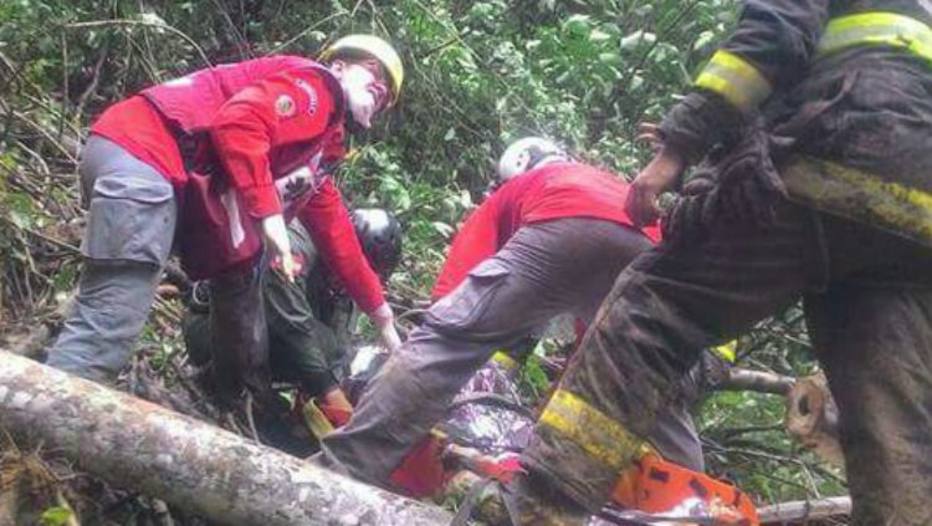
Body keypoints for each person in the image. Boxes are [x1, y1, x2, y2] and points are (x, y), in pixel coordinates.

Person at [510, 2, 932, 525]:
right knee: (891, 412)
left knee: (651, 312)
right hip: (917, 216)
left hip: (838, 146)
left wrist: (678, 147)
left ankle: (543, 510)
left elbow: (774, 33)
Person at [320, 137, 711, 499]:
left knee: (446, 344)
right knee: (653, 395)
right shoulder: (606, 182)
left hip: (566, 224)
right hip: (653, 250)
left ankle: (346, 465)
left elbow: (448, 302)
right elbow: (589, 352)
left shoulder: (522, 189)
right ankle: (691, 509)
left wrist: (437, 333)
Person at [45, 35, 406, 412]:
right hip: (146, 157)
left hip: (146, 165)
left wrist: (382, 317)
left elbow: (339, 236)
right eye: (372, 70)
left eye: (386, 93)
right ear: (338, 67)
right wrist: (269, 216)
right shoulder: (316, 86)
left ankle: (233, 406)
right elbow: (240, 124)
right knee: (106, 324)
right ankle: (42, 434)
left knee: (239, 284)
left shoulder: (315, 151)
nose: (380, 87)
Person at [182, 208, 402, 433]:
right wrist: (328, 391)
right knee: (322, 346)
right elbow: (290, 320)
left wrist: (335, 399)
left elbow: (339, 348)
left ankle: (267, 402)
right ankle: (226, 390)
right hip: (211, 329)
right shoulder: (295, 241)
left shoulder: (346, 286)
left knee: (332, 352)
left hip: (263, 341)